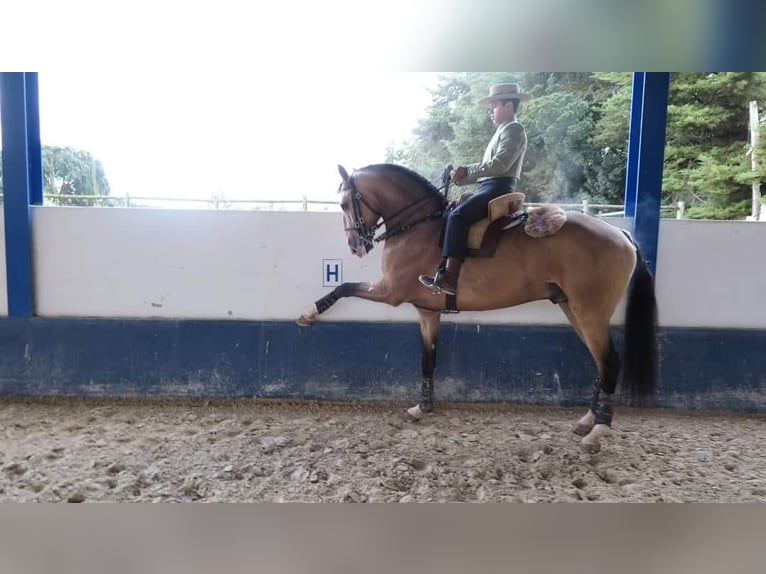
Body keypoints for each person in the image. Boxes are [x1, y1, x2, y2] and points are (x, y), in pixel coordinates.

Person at [419, 82, 530, 296]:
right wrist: (460, 178)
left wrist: (467, 170)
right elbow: (489, 171)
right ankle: (443, 269)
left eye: (494, 105)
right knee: (453, 209)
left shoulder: (514, 129)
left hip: (499, 188)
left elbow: (500, 165)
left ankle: (450, 278)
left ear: (509, 105)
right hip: (489, 185)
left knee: (459, 216)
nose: (491, 110)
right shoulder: (503, 130)